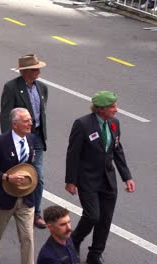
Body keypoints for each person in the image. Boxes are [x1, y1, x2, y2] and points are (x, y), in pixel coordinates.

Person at [65, 91, 135, 264]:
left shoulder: (114, 123)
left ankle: (95, 253)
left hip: (108, 180)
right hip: (88, 179)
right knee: (92, 216)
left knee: (105, 219)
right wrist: (71, 181)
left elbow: (117, 150)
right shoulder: (82, 124)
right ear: (101, 109)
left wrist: (127, 176)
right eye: (112, 107)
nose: (116, 110)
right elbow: (73, 154)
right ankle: (74, 240)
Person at [0, 54, 48, 229]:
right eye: (35, 69)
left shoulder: (42, 88)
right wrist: (8, 140)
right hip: (17, 137)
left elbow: (41, 113)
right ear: (26, 71)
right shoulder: (11, 87)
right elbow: (6, 114)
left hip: (36, 138)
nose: (39, 72)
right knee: (10, 171)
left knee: (37, 176)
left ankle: (36, 212)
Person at [0, 108, 37, 264]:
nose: (30, 123)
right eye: (26, 121)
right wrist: (6, 177)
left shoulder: (31, 139)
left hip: (26, 198)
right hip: (5, 198)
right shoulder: (1, 142)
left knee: (27, 237)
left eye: (30, 120)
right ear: (15, 124)